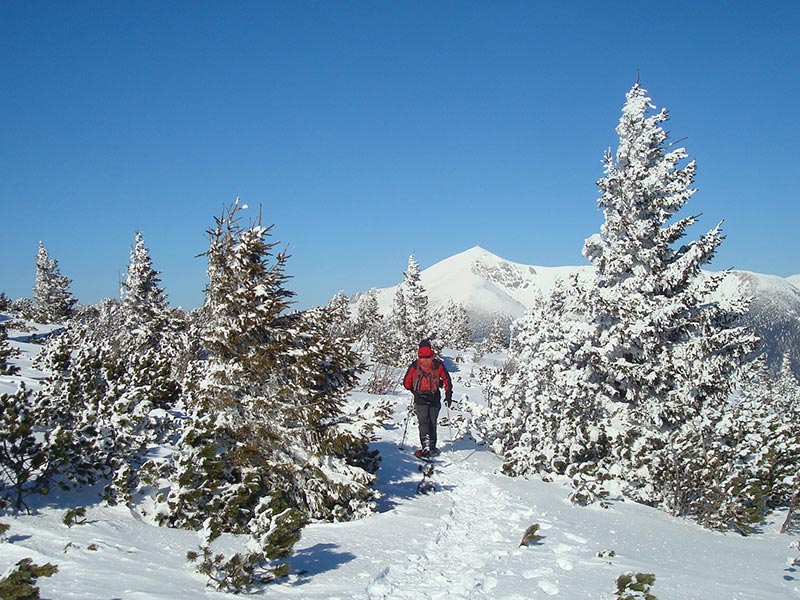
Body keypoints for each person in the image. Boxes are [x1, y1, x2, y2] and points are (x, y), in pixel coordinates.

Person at [403, 339, 453, 458]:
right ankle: (432, 447)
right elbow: (447, 380)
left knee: (423, 423)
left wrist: (414, 391)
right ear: (430, 349)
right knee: (432, 422)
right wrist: (448, 394)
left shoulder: (415, 364)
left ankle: (425, 448)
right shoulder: (437, 364)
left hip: (420, 399)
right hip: (434, 398)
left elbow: (406, 383)